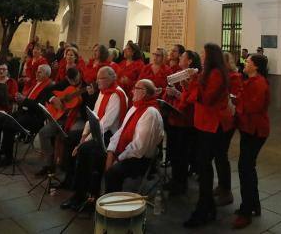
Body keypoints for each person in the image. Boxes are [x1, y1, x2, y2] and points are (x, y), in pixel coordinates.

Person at [61, 78, 163, 212]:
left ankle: (110, 209)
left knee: (110, 171)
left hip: (139, 159)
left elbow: (139, 147)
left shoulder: (150, 113)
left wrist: (117, 159)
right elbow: (121, 132)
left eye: (135, 89)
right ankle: (80, 195)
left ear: (144, 92)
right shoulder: (135, 107)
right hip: (125, 151)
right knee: (85, 150)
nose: (132, 91)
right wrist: (110, 152)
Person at [183, 43, 232, 228]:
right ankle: (207, 205)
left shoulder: (216, 74)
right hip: (205, 123)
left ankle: (204, 208)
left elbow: (207, 98)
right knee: (203, 165)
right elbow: (198, 95)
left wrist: (194, 82)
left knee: (204, 166)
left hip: (213, 125)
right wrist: (190, 84)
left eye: (203, 53)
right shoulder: (207, 73)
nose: (201, 56)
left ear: (210, 56)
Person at [0, 64, 55, 167]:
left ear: (47, 75)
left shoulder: (49, 87)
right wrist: (20, 99)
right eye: (37, 71)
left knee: (8, 126)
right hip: (23, 112)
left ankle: (8, 157)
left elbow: (40, 107)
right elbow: (27, 100)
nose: (37, 73)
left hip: (34, 118)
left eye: (40, 72)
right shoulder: (36, 83)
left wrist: (24, 100)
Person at [233, 53, 270, 229]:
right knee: (247, 168)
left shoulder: (260, 83)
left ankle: (246, 211)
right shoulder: (249, 80)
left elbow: (254, 106)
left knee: (245, 169)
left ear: (255, 66)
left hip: (255, 130)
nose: (244, 64)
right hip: (248, 128)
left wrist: (236, 103)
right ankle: (253, 204)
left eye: (247, 62)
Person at [164, 49, 200, 196]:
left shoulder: (194, 76)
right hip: (174, 116)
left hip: (185, 120)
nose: (179, 58)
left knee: (182, 154)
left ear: (190, 61)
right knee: (174, 152)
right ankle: (174, 179)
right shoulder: (179, 74)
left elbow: (192, 99)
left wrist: (178, 93)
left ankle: (180, 182)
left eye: (183, 57)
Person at [214, 51, 243, 207]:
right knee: (218, 154)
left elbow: (236, 96)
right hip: (218, 118)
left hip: (228, 120)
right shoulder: (221, 76)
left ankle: (227, 191)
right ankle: (221, 185)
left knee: (221, 154)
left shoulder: (234, 76)